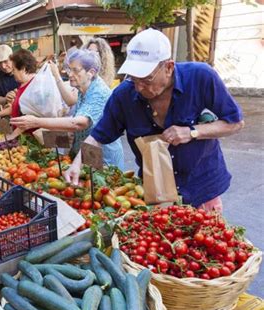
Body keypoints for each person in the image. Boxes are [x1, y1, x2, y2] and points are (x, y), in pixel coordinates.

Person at [65, 28, 245, 211]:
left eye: (147, 79)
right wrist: (78, 162)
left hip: (201, 187)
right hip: (155, 191)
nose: (140, 87)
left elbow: (235, 122)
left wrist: (192, 132)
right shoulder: (124, 95)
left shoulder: (200, 77)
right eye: (134, 79)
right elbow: (98, 136)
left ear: (168, 67)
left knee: (205, 235)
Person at [10, 49, 125, 168]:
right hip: (86, 154)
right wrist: (58, 137)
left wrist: (35, 122)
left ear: (90, 72)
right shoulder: (83, 88)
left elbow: (79, 123)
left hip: (103, 158)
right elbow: (76, 124)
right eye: (69, 69)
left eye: (75, 70)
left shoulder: (99, 92)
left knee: (100, 184)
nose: (69, 74)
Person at [0, 49, 37, 138]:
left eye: (14, 70)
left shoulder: (33, 85)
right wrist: (0, 112)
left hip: (30, 134)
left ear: (23, 69)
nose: (3, 66)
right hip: (15, 124)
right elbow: (15, 105)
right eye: (0, 63)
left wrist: (13, 135)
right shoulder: (21, 84)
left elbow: (30, 115)